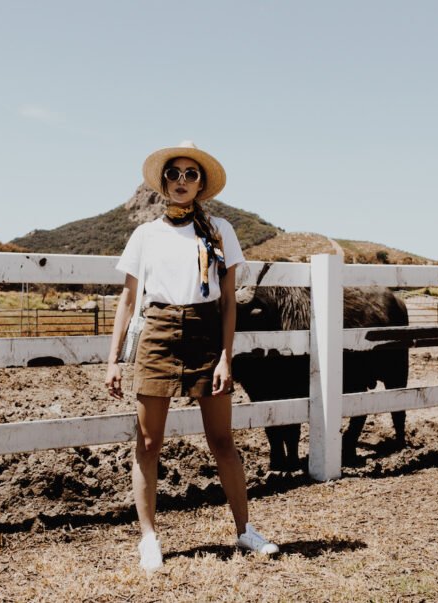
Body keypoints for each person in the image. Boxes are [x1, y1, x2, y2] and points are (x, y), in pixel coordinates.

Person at [105, 140, 279, 573]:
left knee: (221, 440)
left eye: (190, 174)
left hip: (206, 333)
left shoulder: (219, 230)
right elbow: (128, 300)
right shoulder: (145, 235)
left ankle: (245, 530)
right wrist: (113, 360)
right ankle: (149, 538)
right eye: (174, 173)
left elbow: (228, 300)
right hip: (158, 333)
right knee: (148, 442)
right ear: (163, 182)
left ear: (201, 184)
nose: (181, 180)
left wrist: (226, 357)